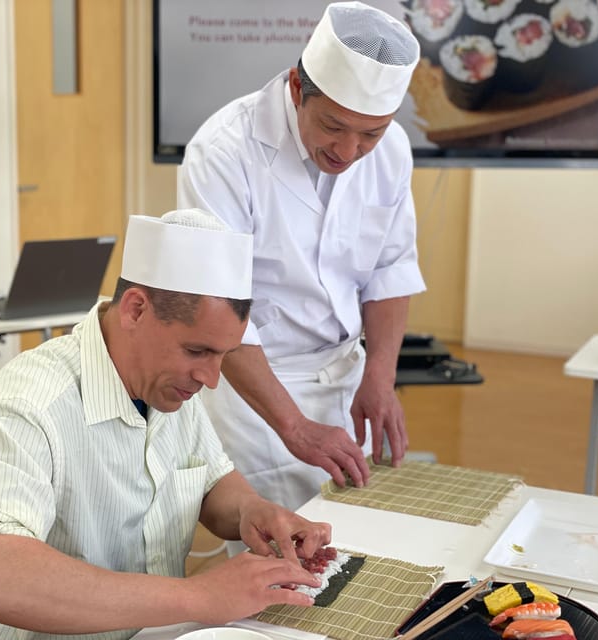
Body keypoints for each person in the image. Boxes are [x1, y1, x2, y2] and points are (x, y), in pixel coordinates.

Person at [0, 209, 331, 640]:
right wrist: (198, 596)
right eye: (197, 352)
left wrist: (254, 511)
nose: (211, 379)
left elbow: (212, 479)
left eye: (223, 356)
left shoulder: (168, 385)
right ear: (136, 310)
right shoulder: (30, 402)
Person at [177, 1, 425, 513]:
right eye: (334, 126)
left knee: (361, 545)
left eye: (370, 134)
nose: (349, 150)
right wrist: (293, 425)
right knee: (281, 560)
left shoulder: (393, 149)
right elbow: (219, 307)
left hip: (345, 374)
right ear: (296, 88)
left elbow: (390, 268)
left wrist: (380, 375)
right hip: (259, 389)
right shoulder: (223, 152)